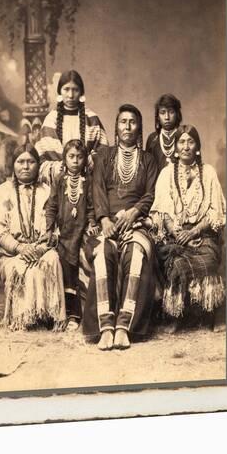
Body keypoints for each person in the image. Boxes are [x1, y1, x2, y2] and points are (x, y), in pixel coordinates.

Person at [82, 104, 158, 350]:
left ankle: (125, 326)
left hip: (136, 223)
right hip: (108, 224)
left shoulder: (148, 159)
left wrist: (134, 212)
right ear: (116, 126)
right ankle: (105, 327)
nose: (127, 126)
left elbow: (151, 193)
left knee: (135, 253)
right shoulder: (105, 155)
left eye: (132, 122)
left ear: (139, 127)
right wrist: (104, 219)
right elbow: (97, 189)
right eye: (123, 121)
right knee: (103, 253)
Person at [150, 125, 226, 331]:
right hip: (176, 235)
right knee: (176, 264)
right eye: (181, 142)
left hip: (203, 234)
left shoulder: (208, 172)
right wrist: (178, 233)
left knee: (209, 260)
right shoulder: (166, 174)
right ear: (175, 147)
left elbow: (215, 210)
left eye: (190, 142)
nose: (186, 146)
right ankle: (178, 315)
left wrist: (194, 232)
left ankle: (211, 312)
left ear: (197, 146)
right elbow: (163, 211)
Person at [0, 144, 66, 331]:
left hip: (41, 248)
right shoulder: (3, 190)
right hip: (11, 252)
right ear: (13, 165)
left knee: (53, 258)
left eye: (31, 162)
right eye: (20, 161)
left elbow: (55, 227)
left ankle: (50, 314)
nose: (25, 166)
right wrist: (20, 248)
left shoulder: (47, 191)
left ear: (38, 165)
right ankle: (26, 317)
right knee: (24, 266)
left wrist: (40, 249)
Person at [46, 140, 99, 331]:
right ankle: (69, 314)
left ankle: (85, 313)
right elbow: (51, 206)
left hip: (82, 231)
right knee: (66, 272)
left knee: (83, 269)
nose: (75, 161)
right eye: (71, 157)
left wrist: (92, 223)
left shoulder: (89, 181)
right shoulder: (59, 180)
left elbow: (92, 205)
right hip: (64, 233)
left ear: (85, 159)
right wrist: (50, 228)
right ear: (64, 158)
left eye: (79, 157)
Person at [35, 70, 109, 183]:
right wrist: (59, 168)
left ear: (81, 93)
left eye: (75, 90)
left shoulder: (92, 118)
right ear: (59, 91)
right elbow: (40, 157)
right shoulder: (51, 120)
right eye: (66, 89)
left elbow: (104, 152)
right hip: (58, 182)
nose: (70, 95)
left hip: (88, 180)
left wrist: (89, 161)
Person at [146, 94, 182, 173]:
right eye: (162, 112)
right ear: (158, 117)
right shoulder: (152, 139)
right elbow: (148, 170)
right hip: (157, 184)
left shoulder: (183, 137)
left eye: (171, 112)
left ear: (177, 114)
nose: (167, 117)